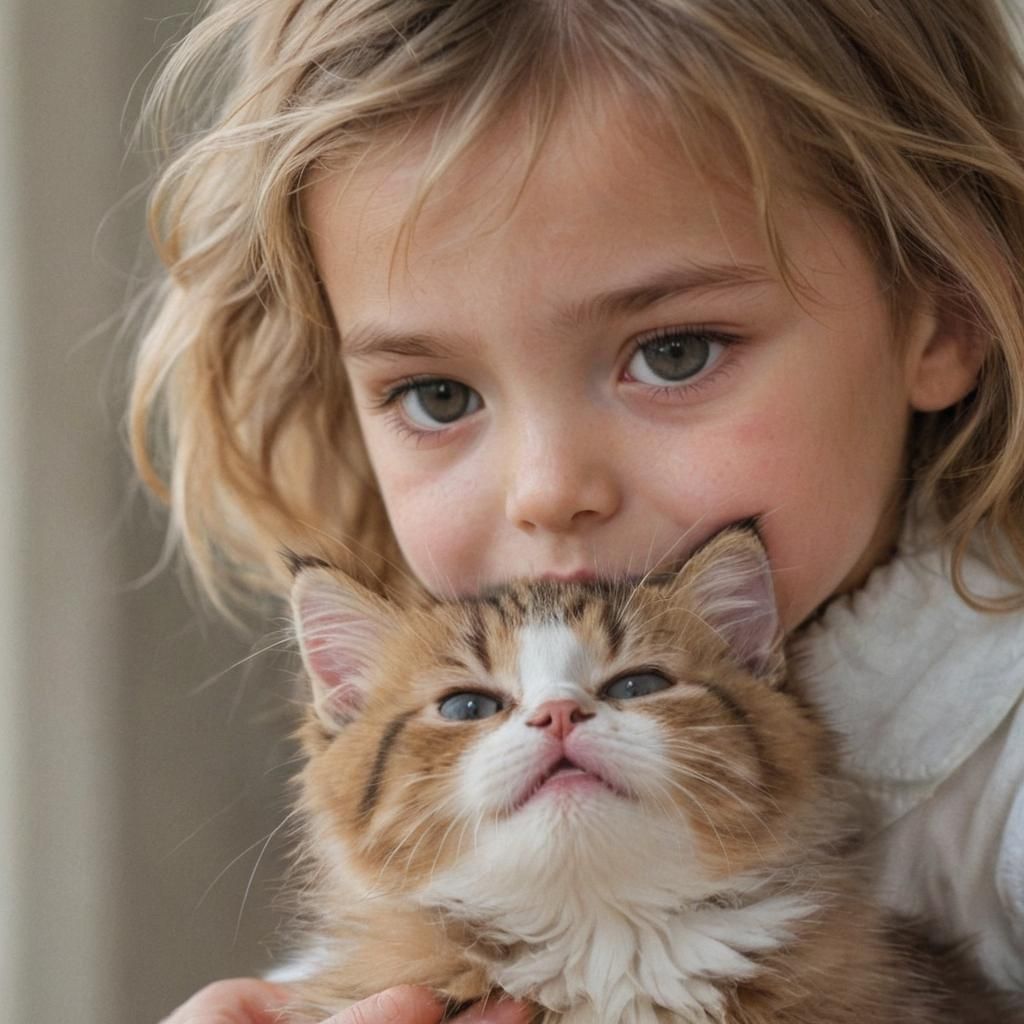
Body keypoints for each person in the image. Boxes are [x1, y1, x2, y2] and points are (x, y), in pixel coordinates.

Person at [135, 1, 1024, 1021]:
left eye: (674, 352)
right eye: (438, 395)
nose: (547, 489)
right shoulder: (429, 892)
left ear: (944, 309)